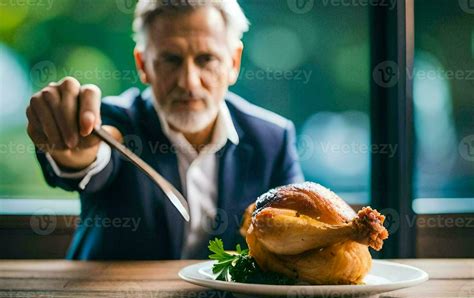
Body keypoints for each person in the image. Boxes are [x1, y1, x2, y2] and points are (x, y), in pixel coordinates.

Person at [26, 0, 304, 260]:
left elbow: (299, 226)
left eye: (206, 59)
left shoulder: (272, 139)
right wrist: (74, 149)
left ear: (233, 62)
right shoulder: (110, 120)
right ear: (143, 64)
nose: (189, 82)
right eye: (171, 59)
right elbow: (93, 158)